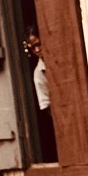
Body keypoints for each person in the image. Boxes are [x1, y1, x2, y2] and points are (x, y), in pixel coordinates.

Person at [25, 30, 57, 162]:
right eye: (33, 47)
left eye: (39, 44)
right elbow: (47, 106)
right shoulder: (39, 74)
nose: (37, 50)